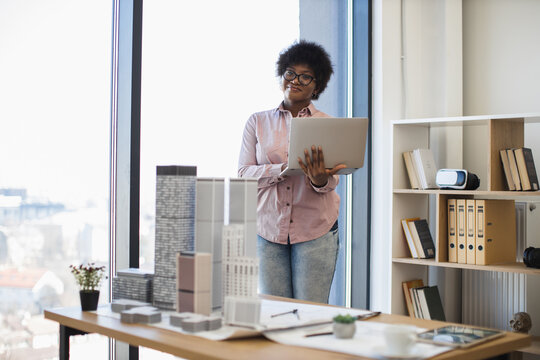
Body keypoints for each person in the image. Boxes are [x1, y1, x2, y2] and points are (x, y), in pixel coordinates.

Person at [237, 40, 345, 303]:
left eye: (305, 76)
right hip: (268, 229)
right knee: (275, 313)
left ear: (317, 85)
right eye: (290, 73)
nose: (295, 80)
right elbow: (243, 173)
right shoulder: (257, 121)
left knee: (312, 310)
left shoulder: (328, 124)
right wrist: (283, 170)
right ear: (282, 75)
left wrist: (320, 179)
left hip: (315, 229)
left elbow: (332, 180)